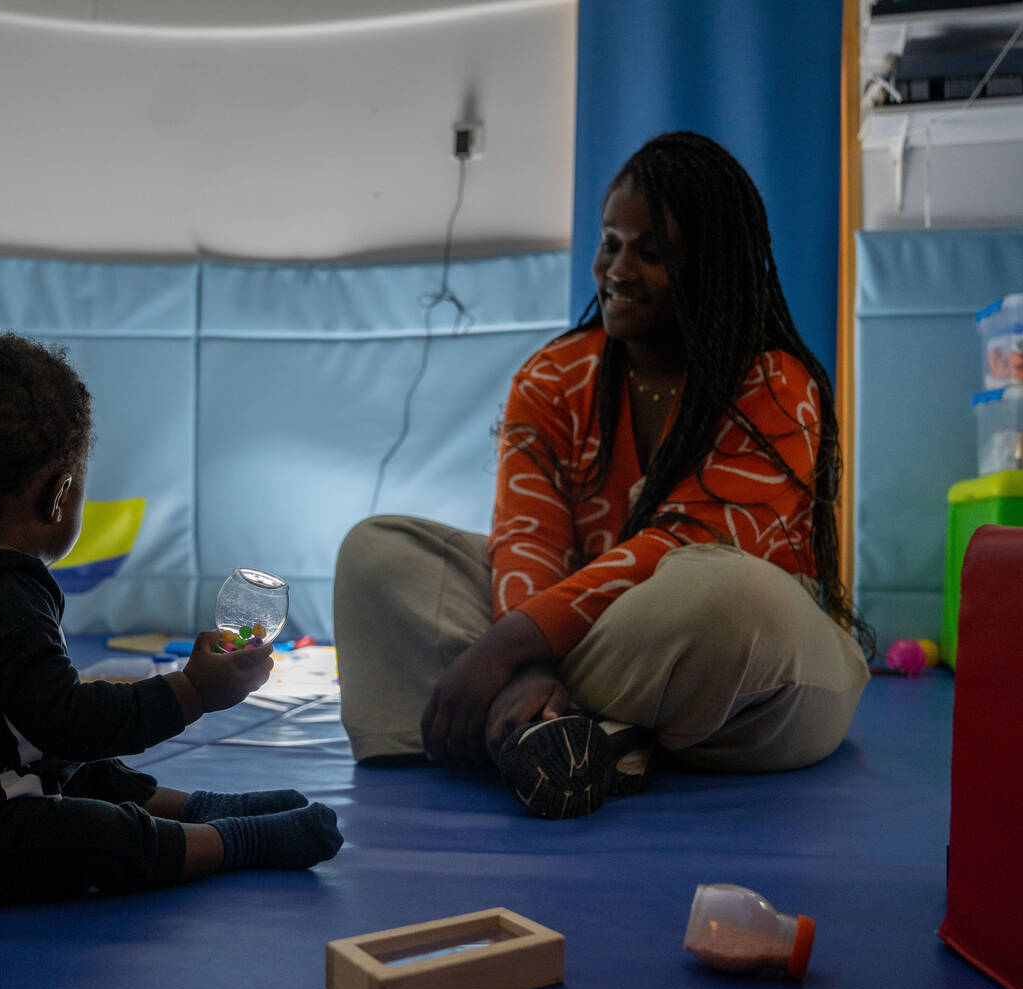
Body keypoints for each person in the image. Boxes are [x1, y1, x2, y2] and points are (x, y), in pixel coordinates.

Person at [333, 131, 873, 819]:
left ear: (710, 266)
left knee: (722, 594)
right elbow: (528, 536)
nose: (618, 268)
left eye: (651, 252)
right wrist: (525, 661)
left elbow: (684, 542)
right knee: (378, 553)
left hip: (742, 681)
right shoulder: (552, 377)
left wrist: (503, 650)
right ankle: (572, 723)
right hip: (590, 640)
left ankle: (522, 721)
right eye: (610, 243)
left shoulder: (776, 384)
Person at [0, 333, 342, 905]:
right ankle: (231, 842)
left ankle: (197, 809)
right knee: (88, 826)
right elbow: (67, 720)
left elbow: (48, 731)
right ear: (60, 495)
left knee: (76, 764)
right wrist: (194, 690)